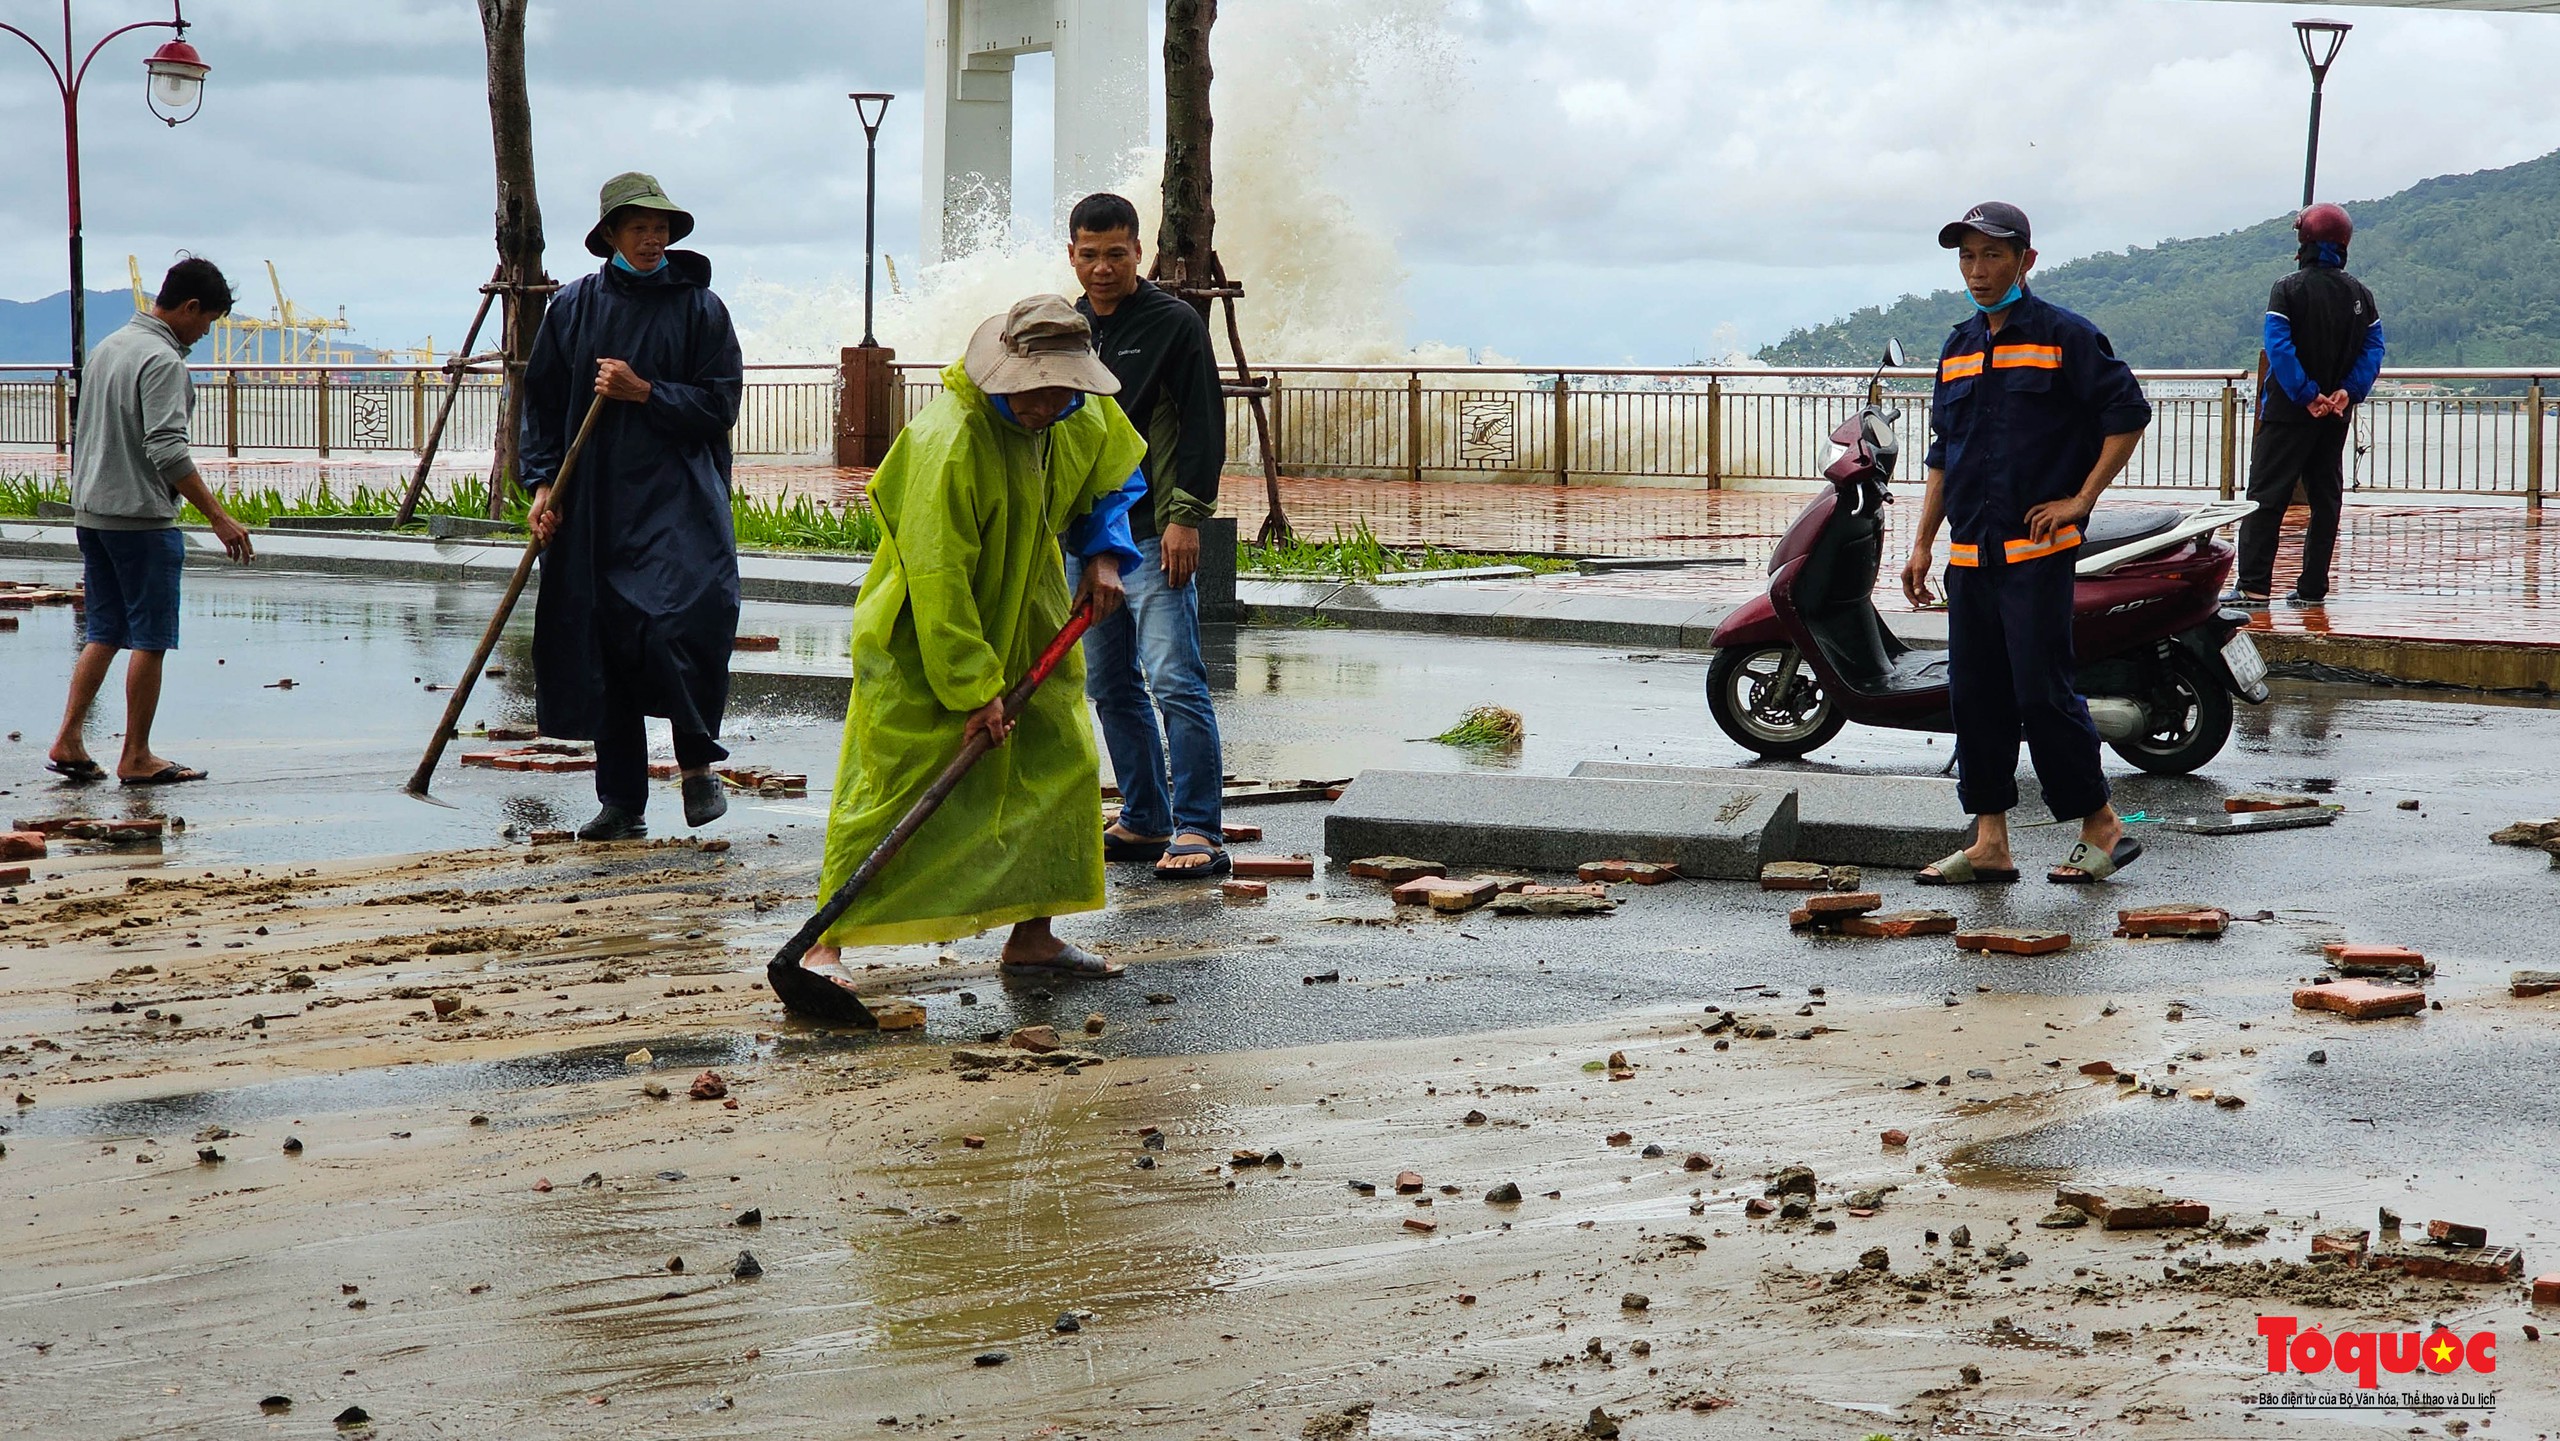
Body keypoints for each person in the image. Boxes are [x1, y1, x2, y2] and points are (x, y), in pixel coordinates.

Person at [798, 295, 1145, 983]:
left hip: (1034, 610)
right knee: (894, 776)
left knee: (1060, 761)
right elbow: (938, 579)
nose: (1047, 405)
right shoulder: (947, 441)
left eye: (1060, 390)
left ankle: (1034, 936)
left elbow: (1115, 474)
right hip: (926, 629)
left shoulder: (1074, 409)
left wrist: (1105, 552)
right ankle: (823, 944)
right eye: (1035, 391)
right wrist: (974, 689)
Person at [1900, 202, 2154, 885]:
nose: (1978, 271)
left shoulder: (2064, 336)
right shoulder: (1956, 348)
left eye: (1991, 257)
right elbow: (1943, 457)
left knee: (2043, 693)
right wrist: (1923, 543)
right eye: (1967, 257)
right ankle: (1990, 842)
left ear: (2026, 262)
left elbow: (2127, 413)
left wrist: (2082, 499)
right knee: (1974, 695)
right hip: (1972, 558)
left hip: (2036, 559)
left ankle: (2101, 824)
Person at [520, 172, 744, 841]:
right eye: (639, 228)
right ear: (611, 235)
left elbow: (720, 405)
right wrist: (541, 489)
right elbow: (540, 405)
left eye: (661, 229)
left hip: (679, 501)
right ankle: (621, 799)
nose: (652, 239)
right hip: (594, 505)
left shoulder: (701, 309)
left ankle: (698, 760)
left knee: (683, 620)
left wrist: (646, 391)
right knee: (607, 644)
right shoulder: (572, 309)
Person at [1065, 192, 1232, 879]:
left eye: (1115, 253)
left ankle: (1199, 827)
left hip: (1154, 535)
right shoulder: (1069, 327)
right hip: (1090, 541)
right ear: (1071, 255)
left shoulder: (1172, 324)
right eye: (1088, 254)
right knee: (1108, 683)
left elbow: (1202, 423)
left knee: (1174, 679)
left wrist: (1186, 516)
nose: (1101, 268)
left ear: (1138, 251)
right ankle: (1144, 817)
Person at [46, 257, 255, 787]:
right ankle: (136, 755)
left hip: (93, 514)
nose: (206, 333)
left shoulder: (110, 346)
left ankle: (69, 738)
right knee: (149, 637)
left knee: (105, 629)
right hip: (141, 520)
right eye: (207, 321)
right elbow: (166, 448)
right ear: (188, 308)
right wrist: (220, 517)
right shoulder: (162, 361)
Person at [2227, 203, 2385, 609]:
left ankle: (2254, 586)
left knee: (2265, 496)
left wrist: (2305, 394)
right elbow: (2373, 349)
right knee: (2326, 497)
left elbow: (2278, 347)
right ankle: (2313, 588)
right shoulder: (2361, 295)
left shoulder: (2287, 289)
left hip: (2287, 412)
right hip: (2335, 413)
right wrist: (2346, 392)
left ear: (2305, 241)